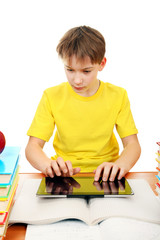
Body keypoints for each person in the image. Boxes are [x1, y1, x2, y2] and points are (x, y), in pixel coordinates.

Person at [25, 26, 141, 182]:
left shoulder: (118, 95)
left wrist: (119, 166)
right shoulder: (51, 96)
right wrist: (48, 165)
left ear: (102, 64)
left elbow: (133, 145)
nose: (77, 80)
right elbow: (32, 147)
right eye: (70, 69)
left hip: (107, 177)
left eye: (86, 71)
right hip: (64, 176)